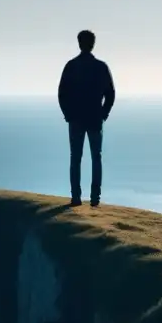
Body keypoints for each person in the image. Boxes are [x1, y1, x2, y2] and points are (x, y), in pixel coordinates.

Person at [57, 30, 115, 206]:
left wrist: (68, 114)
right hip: (95, 119)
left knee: (76, 157)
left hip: (76, 119)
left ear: (79, 43)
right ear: (93, 44)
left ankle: (76, 197)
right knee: (96, 157)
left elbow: (62, 93)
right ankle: (95, 199)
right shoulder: (101, 67)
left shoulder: (71, 66)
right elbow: (110, 93)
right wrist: (103, 113)